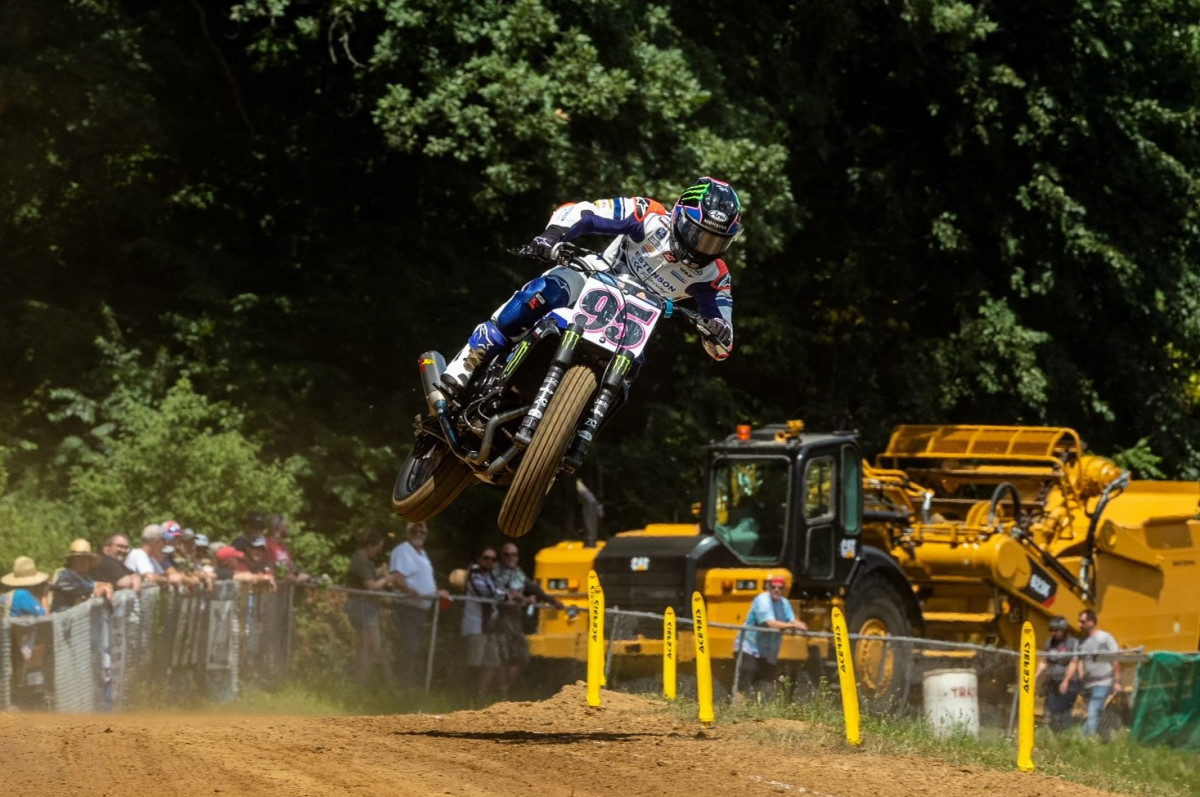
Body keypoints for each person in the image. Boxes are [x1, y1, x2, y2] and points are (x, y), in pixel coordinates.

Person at [439, 177, 742, 393]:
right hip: (593, 277)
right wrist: (553, 235)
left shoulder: (715, 276)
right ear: (679, 216)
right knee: (548, 292)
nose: (703, 247)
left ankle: (574, 435)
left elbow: (722, 344)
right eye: (698, 234)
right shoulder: (648, 215)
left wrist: (716, 331)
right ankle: (473, 354)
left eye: (715, 242)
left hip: (634, 322)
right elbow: (584, 211)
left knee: (631, 371)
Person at [491, 542, 565, 699]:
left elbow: (533, 588)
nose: (511, 558)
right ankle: (499, 692)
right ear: (501, 556)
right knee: (503, 657)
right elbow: (500, 592)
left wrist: (552, 601)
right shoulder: (496, 571)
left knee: (522, 656)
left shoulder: (518, 573)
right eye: (507, 554)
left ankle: (505, 689)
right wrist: (523, 599)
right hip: (500, 618)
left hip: (515, 620)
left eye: (514, 555)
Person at [388, 520, 449, 689]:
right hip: (407, 608)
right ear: (408, 533)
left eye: (422, 533)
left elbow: (427, 580)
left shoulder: (423, 554)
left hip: (421, 609)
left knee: (415, 649)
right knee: (408, 647)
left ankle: (410, 687)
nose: (419, 535)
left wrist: (438, 591)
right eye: (415, 532)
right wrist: (408, 589)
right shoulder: (402, 551)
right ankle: (401, 687)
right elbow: (397, 577)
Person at [736, 574, 807, 697]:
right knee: (746, 682)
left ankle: (756, 711)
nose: (776, 590)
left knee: (764, 684)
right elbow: (770, 623)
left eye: (780, 588)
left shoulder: (784, 603)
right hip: (749, 648)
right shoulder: (762, 600)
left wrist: (802, 625)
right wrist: (791, 626)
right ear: (769, 587)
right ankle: (737, 710)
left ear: (784, 589)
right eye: (774, 587)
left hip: (767, 653)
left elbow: (791, 619)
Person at [461, 545, 509, 703]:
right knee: (474, 664)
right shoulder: (475, 574)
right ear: (479, 559)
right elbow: (488, 593)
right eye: (486, 558)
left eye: (493, 559)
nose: (489, 561)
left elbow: (499, 591)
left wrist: (506, 594)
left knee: (493, 663)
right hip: (476, 626)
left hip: (489, 627)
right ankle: (466, 697)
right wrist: (508, 596)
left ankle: (478, 696)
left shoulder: (491, 576)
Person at [346, 528, 391, 684]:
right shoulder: (359, 560)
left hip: (368, 608)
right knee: (368, 645)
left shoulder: (365, 562)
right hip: (361, 607)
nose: (377, 553)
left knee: (370, 646)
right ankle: (360, 682)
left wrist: (380, 574)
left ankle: (362, 682)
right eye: (377, 549)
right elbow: (370, 585)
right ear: (370, 545)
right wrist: (386, 579)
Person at [1069, 608, 1122, 739]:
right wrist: (1080, 673)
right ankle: (1108, 736)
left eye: (1082, 621)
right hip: (1087, 684)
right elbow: (1078, 660)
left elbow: (1115, 660)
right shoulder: (1080, 642)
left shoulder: (1105, 638)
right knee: (1095, 712)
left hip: (1103, 682)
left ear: (1092, 621)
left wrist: (1117, 681)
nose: (1079, 625)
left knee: (1092, 712)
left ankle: (1084, 741)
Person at [1035, 614, 1081, 732]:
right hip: (1053, 682)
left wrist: (1066, 681)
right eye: (1051, 630)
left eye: (1056, 630)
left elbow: (1073, 663)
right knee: (1050, 709)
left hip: (1069, 683)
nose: (1053, 633)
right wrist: (1035, 676)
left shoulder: (1072, 643)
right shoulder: (1050, 643)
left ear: (1064, 630)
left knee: (1064, 711)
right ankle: (1053, 734)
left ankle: (1065, 736)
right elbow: (1044, 661)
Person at [51, 539, 115, 611]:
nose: (83, 563)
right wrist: (103, 587)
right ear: (72, 560)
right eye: (79, 559)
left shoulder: (85, 577)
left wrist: (107, 585)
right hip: (61, 619)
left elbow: (95, 584)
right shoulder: (65, 575)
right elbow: (89, 587)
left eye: (86, 559)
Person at [266, 514, 310, 583]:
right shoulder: (266, 544)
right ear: (277, 528)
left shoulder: (284, 547)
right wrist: (286, 576)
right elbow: (267, 567)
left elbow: (290, 566)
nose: (288, 528)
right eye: (286, 526)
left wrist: (298, 574)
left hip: (286, 588)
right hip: (273, 587)